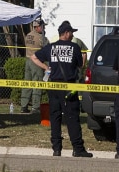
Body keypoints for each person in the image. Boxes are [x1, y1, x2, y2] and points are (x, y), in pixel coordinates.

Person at [31, 21, 93, 158]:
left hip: (54, 87)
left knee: (55, 117)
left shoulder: (50, 47)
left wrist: (47, 68)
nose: (72, 35)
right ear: (66, 33)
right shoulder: (75, 47)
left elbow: (34, 57)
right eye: (71, 32)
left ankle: (57, 149)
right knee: (72, 118)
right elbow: (80, 65)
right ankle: (78, 149)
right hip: (69, 87)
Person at [20, 17, 46, 113]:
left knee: (27, 84)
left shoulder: (28, 35)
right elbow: (46, 46)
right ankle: (35, 107)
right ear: (37, 27)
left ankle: (24, 106)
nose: (44, 28)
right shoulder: (40, 37)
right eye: (42, 26)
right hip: (36, 61)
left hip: (28, 60)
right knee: (37, 84)